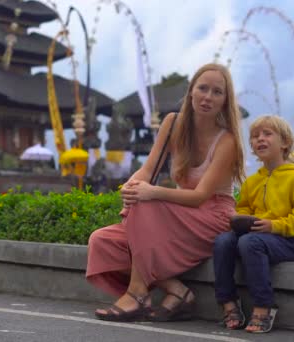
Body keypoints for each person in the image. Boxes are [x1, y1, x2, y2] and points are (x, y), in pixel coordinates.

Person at [86, 63, 246, 322]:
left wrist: (150, 193)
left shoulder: (227, 141)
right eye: (202, 88)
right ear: (191, 90)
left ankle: (137, 293)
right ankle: (177, 291)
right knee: (102, 241)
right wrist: (131, 186)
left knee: (147, 201)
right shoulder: (172, 124)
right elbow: (147, 170)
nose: (207, 97)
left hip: (212, 218)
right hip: (180, 214)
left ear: (225, 100)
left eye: (217, 92)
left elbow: (200, 196)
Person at [213, 114, 294, 333]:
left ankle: (264, 305)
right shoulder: (253, 181)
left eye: (267, 134)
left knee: (250, 243)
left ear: (285, 143)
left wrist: (273, 225)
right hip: (256, 236)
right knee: (223, 241)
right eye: (255, 136)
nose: (260, 139)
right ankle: (228, 302)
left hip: (288, 240)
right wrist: (238, 218)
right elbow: (243, 208)